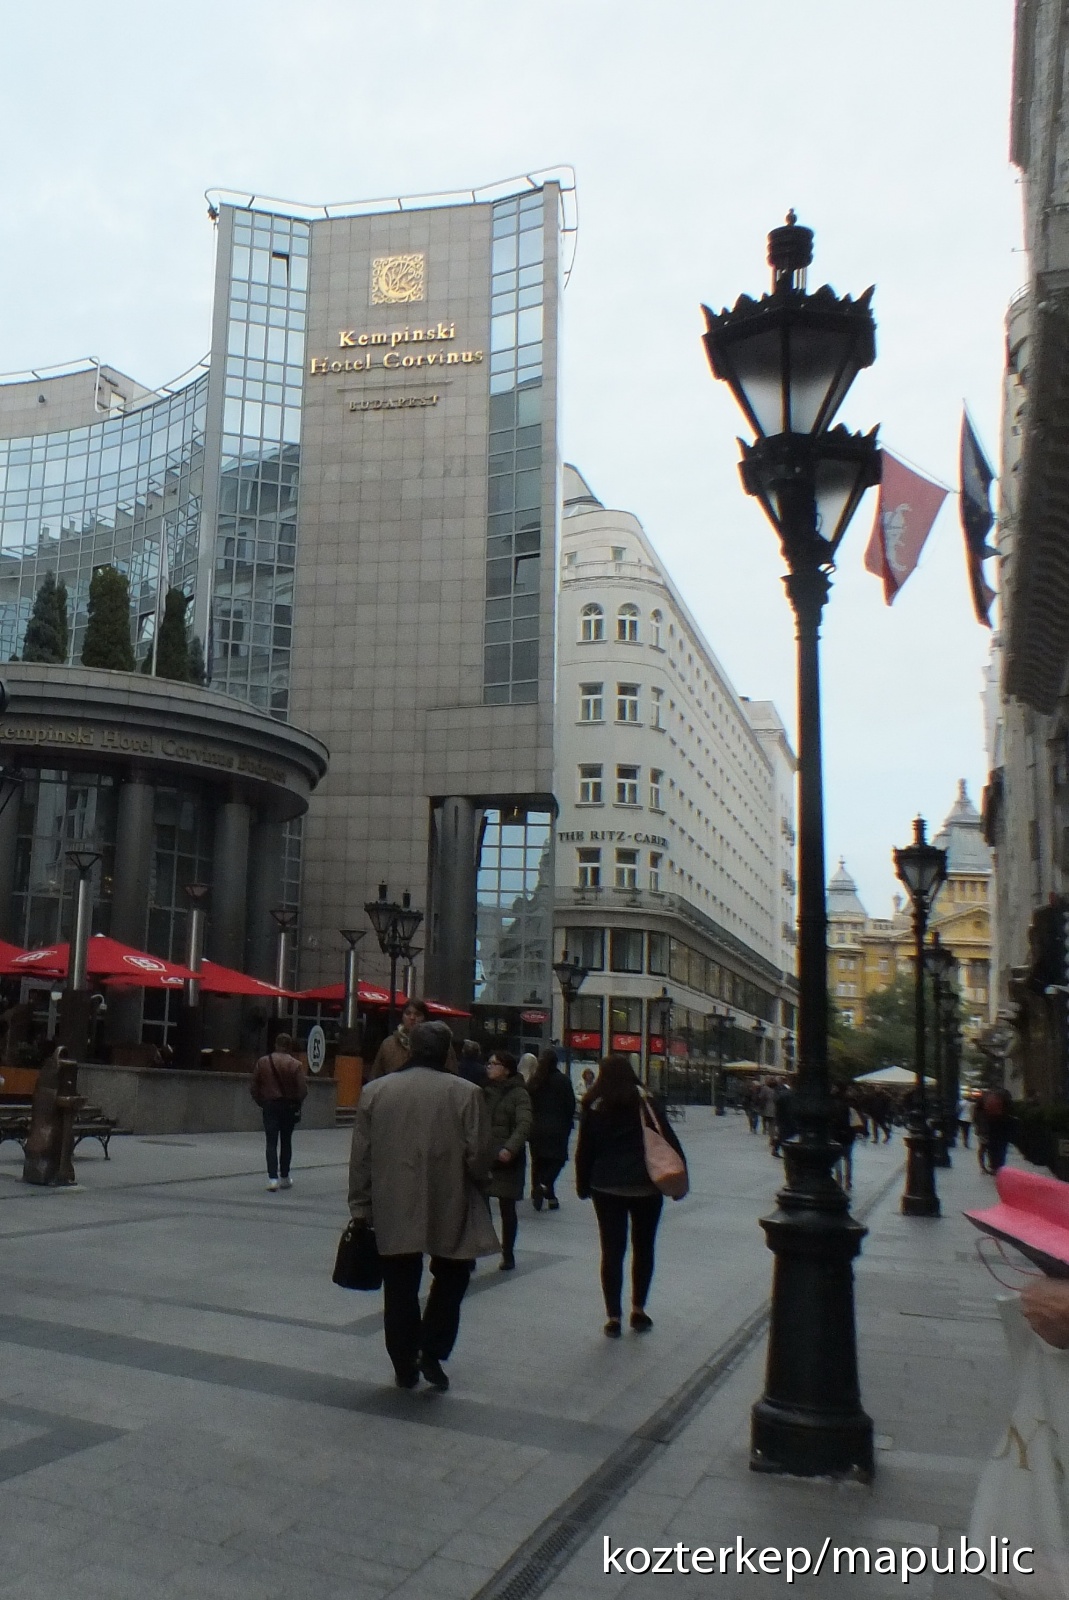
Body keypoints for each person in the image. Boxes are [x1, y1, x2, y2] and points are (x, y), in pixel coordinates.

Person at [347, 1020, 499, 1391]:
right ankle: (431, 1347)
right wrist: (480, 1180)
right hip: (451, 1196)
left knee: (399, 1284)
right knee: (453, 1274)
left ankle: (404, 1361)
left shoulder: (375, 1092)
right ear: (447, 1051)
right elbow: (480, 1155)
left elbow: (361, 1157)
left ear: (412, 1048)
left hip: (392, 1200)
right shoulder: (466, 1093)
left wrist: (360, 1205)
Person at [575, 1054, 686, 1337]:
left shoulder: (595, 1105)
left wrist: (583, 1184)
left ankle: (613, 1317)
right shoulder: (646, 1101)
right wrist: (680, 1179)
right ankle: (638, 1310)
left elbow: (584, 1150)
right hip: (646, 1186)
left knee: (611, 1251)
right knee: (644, 1247)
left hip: (606, 1187)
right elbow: (667, 1138)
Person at [482, 1050, 532, 1270]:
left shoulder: (519, 1094)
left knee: (507, 1209)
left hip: (508, 1160)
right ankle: (473, 1251)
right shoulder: (484, 1091)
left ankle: (508, 1252)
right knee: (478, 1206)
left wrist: (510, 1148)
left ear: (507, 1069)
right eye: (489, 1063)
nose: (489, 1067)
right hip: (485, 1157)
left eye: (494, 1064)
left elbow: (524, 1123)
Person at [250, 1033, 308, 1192]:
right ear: (289, 1047)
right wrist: (296, 1103)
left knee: (271, 1142)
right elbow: (303, 1090)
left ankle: (272, 1179)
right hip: (288, 1106)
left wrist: (261, 1102)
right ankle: (285, 1177)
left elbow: (254, 1086)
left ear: (275, 1044)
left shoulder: (263, 1062)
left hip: (270, 1105)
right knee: (286, 1141)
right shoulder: (295, 1064)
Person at [526, 1047, 576, 1211]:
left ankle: (541, 1190)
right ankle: (545, 1185)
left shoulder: (535, 1081)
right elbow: (570, 1105)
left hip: (536, 1127)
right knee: (557, 1160)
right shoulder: (563, 1080)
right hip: (558, 1128)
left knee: (538, 1161)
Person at [368, 999, 428, 1079]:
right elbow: (375, 1076)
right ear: (402, 1017)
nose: (412, 1018)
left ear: (424, 1018)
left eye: (417, 1014)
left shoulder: (432, 1044)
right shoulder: (388, 1044)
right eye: (408, 1013)